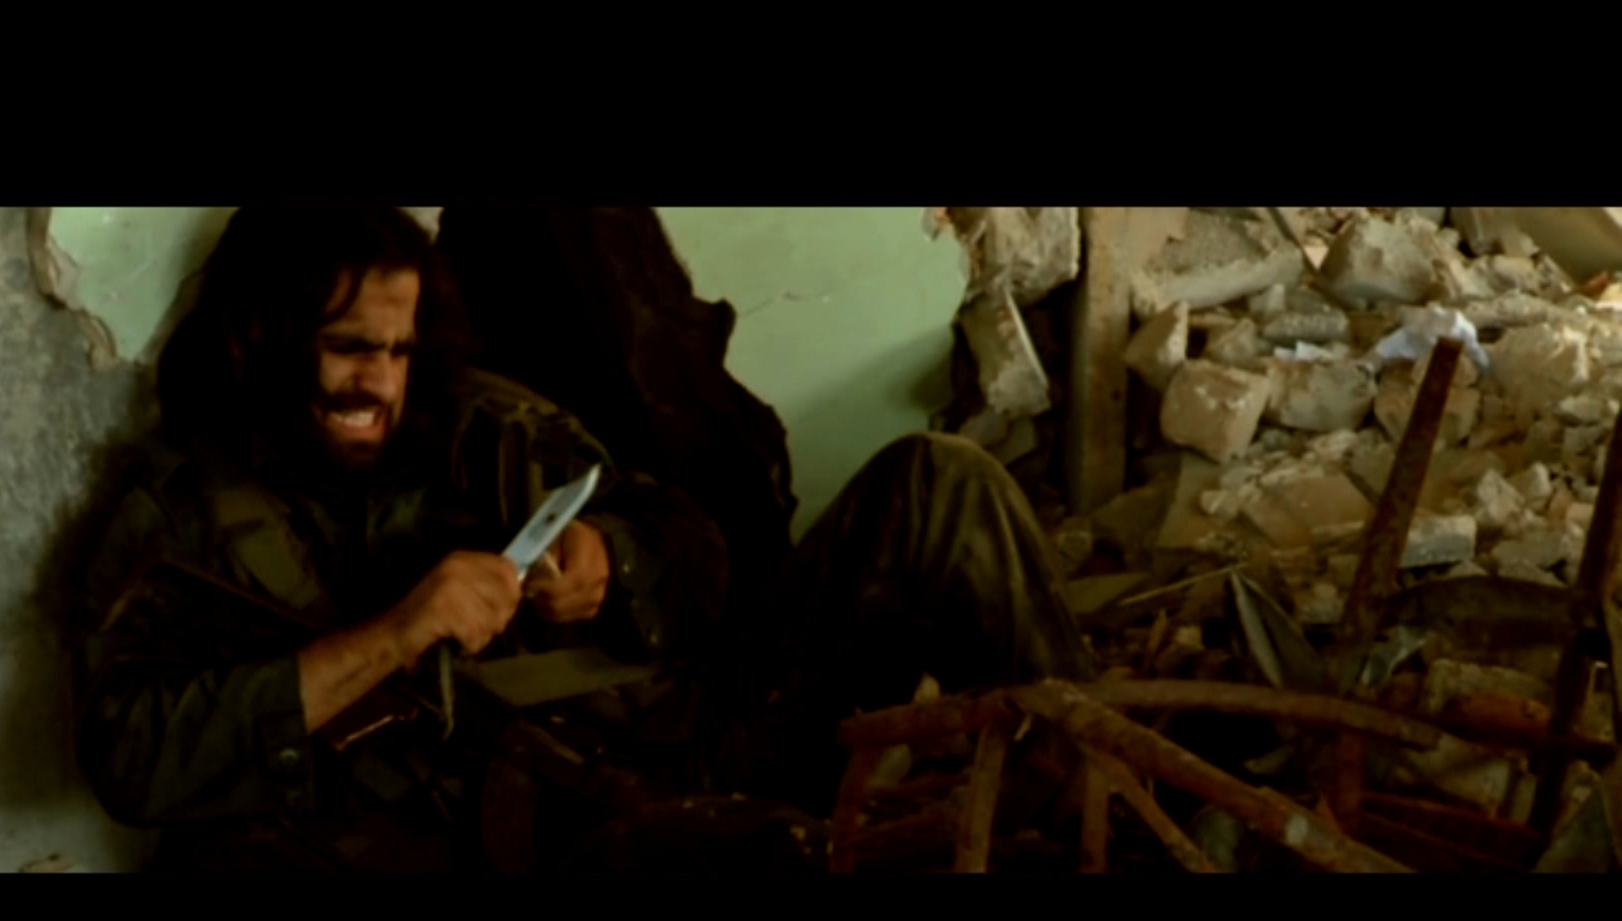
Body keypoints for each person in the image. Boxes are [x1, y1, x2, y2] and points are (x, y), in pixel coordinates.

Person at [76, 205, 1094, 875]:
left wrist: (615, 560)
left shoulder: (474, 424)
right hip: (557, 841)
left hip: (698, 736)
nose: (380, 385)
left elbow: (688, 537)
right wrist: (394, 636)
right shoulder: (183, 519)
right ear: (256, 336)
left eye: (397, 351)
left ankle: (1098, 793)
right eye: (349, 351)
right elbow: (131, 758)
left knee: (937, 482)